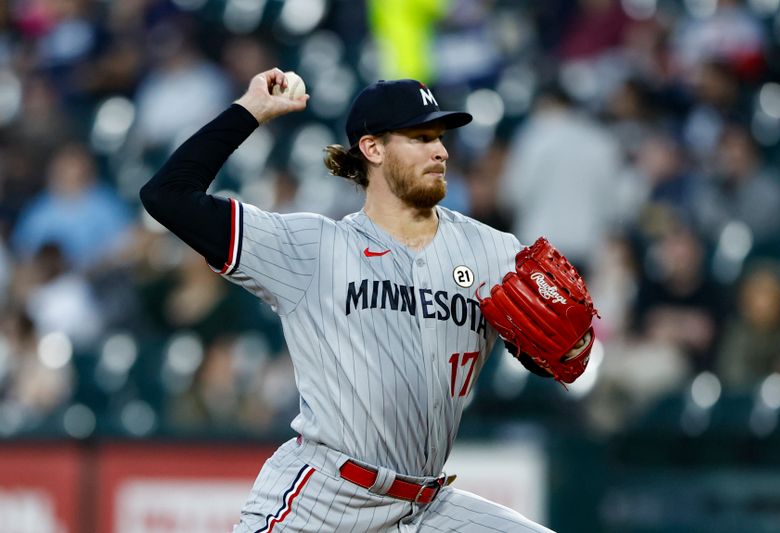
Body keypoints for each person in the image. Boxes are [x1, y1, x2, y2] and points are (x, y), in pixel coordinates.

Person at [141, 68, 577, 532]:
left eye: (441, 137)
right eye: (420, 136)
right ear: (372, 149)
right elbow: (167, 196)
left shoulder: (493, 252)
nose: (441, 151)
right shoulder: (312, 248)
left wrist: (561, 350)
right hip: (325, 502)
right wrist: (251, 110)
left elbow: (550, 353)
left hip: (427, 506)